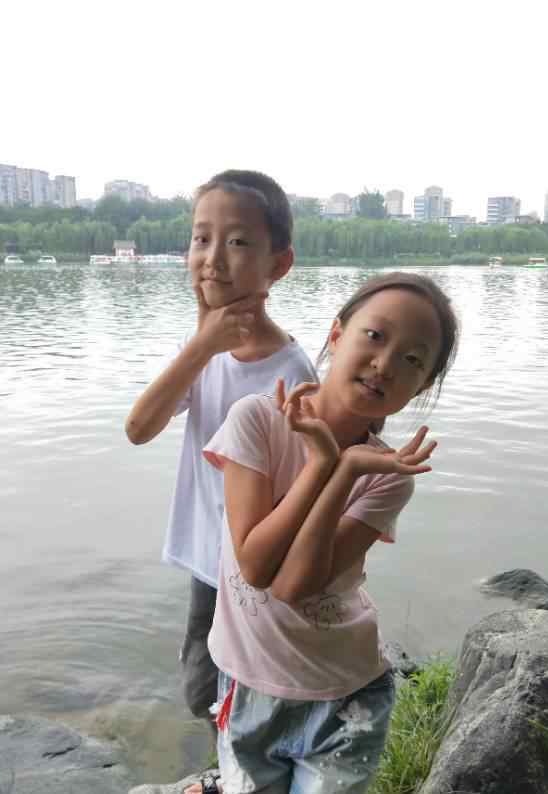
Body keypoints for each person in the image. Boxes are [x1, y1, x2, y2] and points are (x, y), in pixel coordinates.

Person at [185, 272, 459, 794]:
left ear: (421, 385)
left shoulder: (385, 475)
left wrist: (346, 472)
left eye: (412, 359)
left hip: (345, 696)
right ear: (336, 334)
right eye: (375, 336)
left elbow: (294, 587)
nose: (385, 364)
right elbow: (257, 566)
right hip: (250, 683)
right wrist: (322, 464)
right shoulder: (257, 422)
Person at [125, 170, 317, 735]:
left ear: (277, 264)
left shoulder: (291, 373)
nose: (211, 258)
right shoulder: (203, 351)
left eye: (236, 242)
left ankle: (242, 771)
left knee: (247, 692)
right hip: (207, 559)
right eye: (200, 238)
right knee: (201, 687)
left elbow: (297, 490)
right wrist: (202, 340)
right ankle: (229, 766)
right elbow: (138, 428)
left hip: (253, 569)